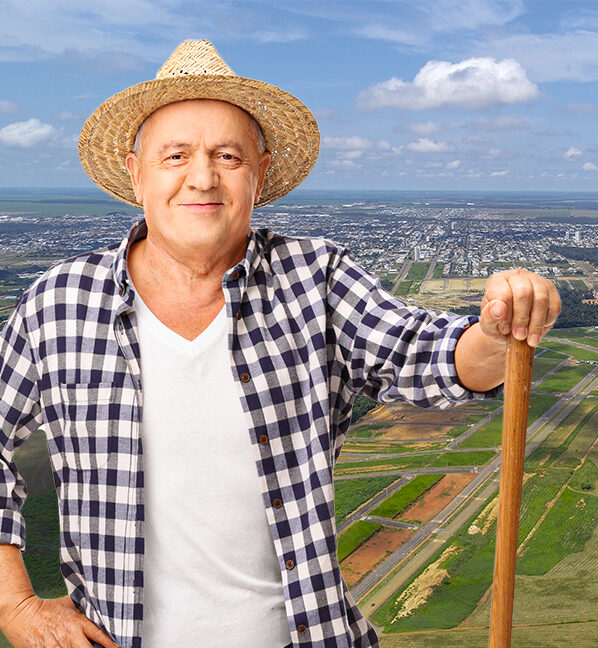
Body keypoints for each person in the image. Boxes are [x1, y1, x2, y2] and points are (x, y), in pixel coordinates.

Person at [0, 40, 560, 648]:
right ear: (136, 173)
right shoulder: (60, 304)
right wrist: (18, 606)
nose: (202, 177)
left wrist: (496, 332)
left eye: (227, 155)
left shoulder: (314, 278)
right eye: (175, 155)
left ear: (260, 173)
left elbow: (424, 355)